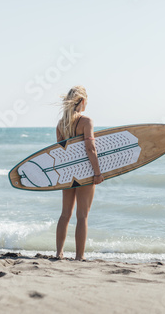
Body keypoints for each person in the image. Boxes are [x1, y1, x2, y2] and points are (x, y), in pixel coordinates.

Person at [55, 86, 104, 260]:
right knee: (82, 215)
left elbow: (61, 153)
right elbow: (90, 149)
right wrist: (97, 172)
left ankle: (59, 253)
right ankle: (79, 256)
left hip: (68, 173)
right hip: (85, 172)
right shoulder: (86, 121)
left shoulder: (61, 124)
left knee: (65, 214)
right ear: (82, 101)